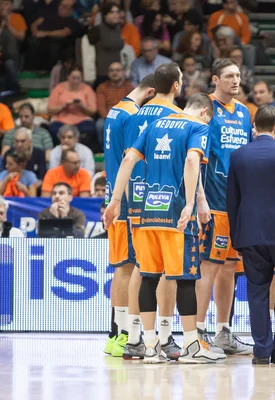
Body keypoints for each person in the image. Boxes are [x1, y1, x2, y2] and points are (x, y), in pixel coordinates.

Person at [104, 93, 225, 363]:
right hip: (176, 217)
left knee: (148, 277)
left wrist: (115, 201)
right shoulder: (198, 127)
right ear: (205, 112)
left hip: (147, 215)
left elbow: (127, 161)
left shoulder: (155, 124)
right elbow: (192, 162)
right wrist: (190, 202)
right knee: (184, 280)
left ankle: (149, 346)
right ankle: (192, 345)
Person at [226, 105, 275, 364]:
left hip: (250, 233)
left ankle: (261, 351)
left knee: (257, 293)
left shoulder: (238, 156)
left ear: (254, 127)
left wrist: (237, 236)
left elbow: (232, 201)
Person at [196, 58, 253, 355]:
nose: (235, 80)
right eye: (229, 76)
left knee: (230, 266)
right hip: (214, 201)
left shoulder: (244, 112)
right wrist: (200, 198)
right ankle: (198, 333)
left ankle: (223, 333)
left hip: (238, 202)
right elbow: (194, 157)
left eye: (238, 75)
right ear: (215, 79)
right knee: (209, 266)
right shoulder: (206, 108)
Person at [103, 74, 156, 358]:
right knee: (128, 267)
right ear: (150, 92)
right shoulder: (134, 115)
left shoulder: (115, 110)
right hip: (126, 200)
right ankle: (122, 334)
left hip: (116, 195)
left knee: (122, 267)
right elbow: (130, 159)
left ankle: (116, 334)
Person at [47, 66, 98, 148]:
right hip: (61, 119)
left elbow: (93, 111)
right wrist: (64, 106)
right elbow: (50, 109)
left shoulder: (87, 89)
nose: (76, 81)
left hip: (82, 119)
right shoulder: (58, 88)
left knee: (90, 129)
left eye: (78, 78)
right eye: (73, 78)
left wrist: (82, 106)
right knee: (54, 129)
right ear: (68, 77)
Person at [95, 63, 135, 145]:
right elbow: (101, 108)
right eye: (112, 70)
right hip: (107, 118)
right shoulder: (102, 87)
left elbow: (133, 107)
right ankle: (103, 150)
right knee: (100, 125)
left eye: (118, 70)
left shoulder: (130, 87)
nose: (115, 73)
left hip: (126, 118)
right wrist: (111, 119)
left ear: (123, 72)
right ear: (108, 73)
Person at [88, 2, 125, 88]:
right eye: (112, 12)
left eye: (117, 12)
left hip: (118, 73)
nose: (115, 15)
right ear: (104, 15)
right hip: (102, 73)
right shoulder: (96, 29)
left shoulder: (119, 29)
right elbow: (87, 52)